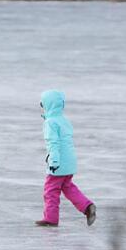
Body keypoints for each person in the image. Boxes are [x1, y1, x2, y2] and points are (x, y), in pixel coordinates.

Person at [35, 90, 97, 227]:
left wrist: (54, 161)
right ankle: (87, 207)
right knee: (67, 187)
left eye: (42, 103)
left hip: (59, 162)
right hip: (69, 161)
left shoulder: (50, 123)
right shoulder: (64, 120)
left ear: (48, 105)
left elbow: (53, 143)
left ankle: (50, 218)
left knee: (51, 190)